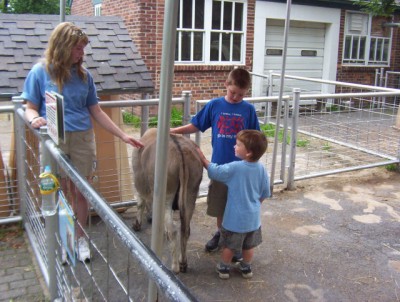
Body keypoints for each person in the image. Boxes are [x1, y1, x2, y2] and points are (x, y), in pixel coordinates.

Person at [22, 22, 143, 263]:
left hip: (82, 139)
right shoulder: (40, 72)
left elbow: (96, 111)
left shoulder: (84, 76)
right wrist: (34, 119)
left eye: (82, 49)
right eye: (78, 48)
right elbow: (30, 107)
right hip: (54, 137)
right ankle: (63, 238)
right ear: (63, 47)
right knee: (59, 189)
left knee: (81, 191)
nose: (82, 54)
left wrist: (123, 135)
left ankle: (80, 238)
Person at [171, 68, 260, 260]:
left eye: (240, 94)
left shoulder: (248, 110)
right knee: (221, 205)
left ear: (247, 92)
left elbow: (256, 137)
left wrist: (254, 162)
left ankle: (237, 242)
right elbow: (197, 125)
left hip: (242, 170)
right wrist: (174, 130)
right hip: (220, 168)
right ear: (226, 85)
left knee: (238, 206)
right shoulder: (214, 105)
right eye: (232, 92)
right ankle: (222, 234)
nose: (235, 97)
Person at [196, 130, 270, 279]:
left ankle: (224, 268)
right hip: (253, 220)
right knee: (248, 246)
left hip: (234, 220)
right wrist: (254, 205)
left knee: (229, 246)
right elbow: (264, 193)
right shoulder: (262, 169)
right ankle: (246, 268)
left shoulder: (235, 168)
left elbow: (214, 172)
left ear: (248, 153)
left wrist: (202, 157)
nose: (234, 147)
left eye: (238, 145)